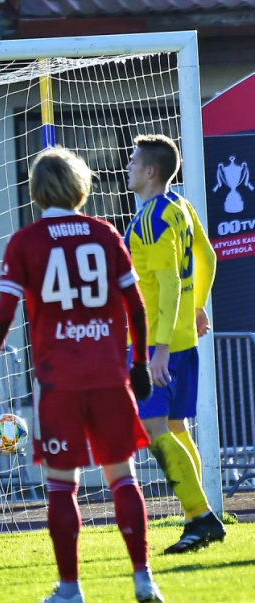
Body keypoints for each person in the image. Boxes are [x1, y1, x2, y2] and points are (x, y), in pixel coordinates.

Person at [0, 148, 164, 603]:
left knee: (61, 484)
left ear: (36, 191)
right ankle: (143, 579)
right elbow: (135, 306)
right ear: (81, 185)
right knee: (123, 477)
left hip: (58, 381)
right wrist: (137, 364)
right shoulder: (104, 233)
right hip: (108, 375)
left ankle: (72, 589)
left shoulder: (26, 242)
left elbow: (4, 313)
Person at [123, 133, 226, 553]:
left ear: (150, 171)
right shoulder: (180, 205)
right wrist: (198, 306)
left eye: (133, 161)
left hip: (156, 343)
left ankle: (201, 518)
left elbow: (167, 284)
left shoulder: (149, 221)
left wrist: (159, 348)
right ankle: (196, 517)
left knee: (154, 429)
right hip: (183, 338)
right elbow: (208, 256)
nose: (128, 167)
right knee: (176, 427)